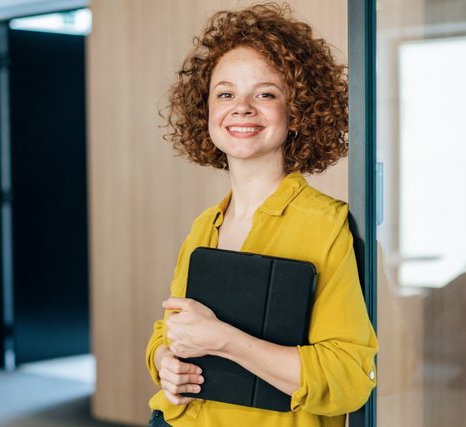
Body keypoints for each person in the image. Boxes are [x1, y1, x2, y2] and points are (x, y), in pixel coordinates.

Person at [145, 3, 378, 427]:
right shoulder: (205, 225)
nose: (242, 107)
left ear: (298, 111)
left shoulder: (326, 226)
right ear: (207, 110)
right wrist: (164, 361)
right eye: (226, 93)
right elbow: (170, 332)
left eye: (265, 93)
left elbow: (350, 377)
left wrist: (226, 342)